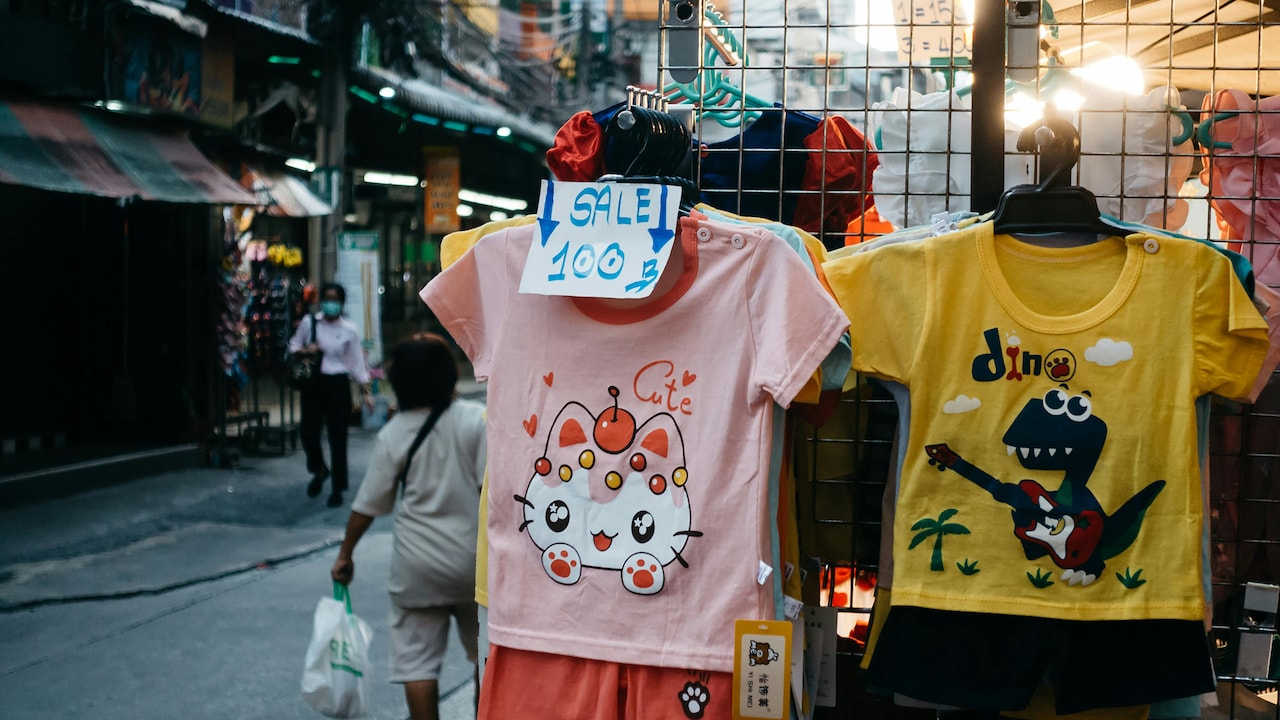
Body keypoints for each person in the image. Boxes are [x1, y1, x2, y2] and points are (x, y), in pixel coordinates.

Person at [330, 333, 487, 720]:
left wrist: (345, 554)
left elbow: (367, 505)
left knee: (417, 665)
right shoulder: (477, 421)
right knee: (486, 657)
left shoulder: (394, 433)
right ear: (449, 375)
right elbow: (494, 493)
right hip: (475, 565)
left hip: (417, 567)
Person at [288, 282, 374, 507]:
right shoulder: (310, 323)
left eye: (335, 300)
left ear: (341, 303)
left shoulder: (349, 329)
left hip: (338, 385)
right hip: (314, 384)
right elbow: (294, 346)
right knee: (308, 432)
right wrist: (308, 350)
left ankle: (338, 488)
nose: (330, 304)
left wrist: (365, 392)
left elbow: (357, 362)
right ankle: (319, 469)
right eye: (327, 299)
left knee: (338, 438)